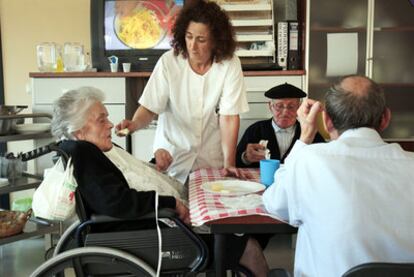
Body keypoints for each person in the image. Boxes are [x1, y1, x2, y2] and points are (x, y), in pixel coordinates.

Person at [52, 87, 268, 277]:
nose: (110, 124)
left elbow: (123, 179)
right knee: (247, 246)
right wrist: (169, 203)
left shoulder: (93, 150)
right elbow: (116, 201)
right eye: (101, 120)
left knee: (231, 232)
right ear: (78, 131)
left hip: (145, 229)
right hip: (141, 237)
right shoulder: (84, 153)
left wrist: (156, 163)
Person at [262, 75, 414, 277]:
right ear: (386, 118)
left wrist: (305, 136)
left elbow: (275, 203)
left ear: (326, 120)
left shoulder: (309, 160)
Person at [116, 0, 249, 184]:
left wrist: (229, 163)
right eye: (189, 37)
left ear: (216, 41)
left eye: (201, 40)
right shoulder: (169, 62)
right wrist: (134, 124)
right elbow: (150, 107)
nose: (193, 46)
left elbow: (229, 116)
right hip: (172, 156)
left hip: (211, 159)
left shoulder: (229, 64)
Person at [236, 83, 325, 168]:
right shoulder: (255, 130)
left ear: (299, 107)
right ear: (270, 106)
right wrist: (246, 157)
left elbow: (324, 161)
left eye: (291, 106)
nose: (285, 112)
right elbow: (236, 161)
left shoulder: (309, 132)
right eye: (279, 106)